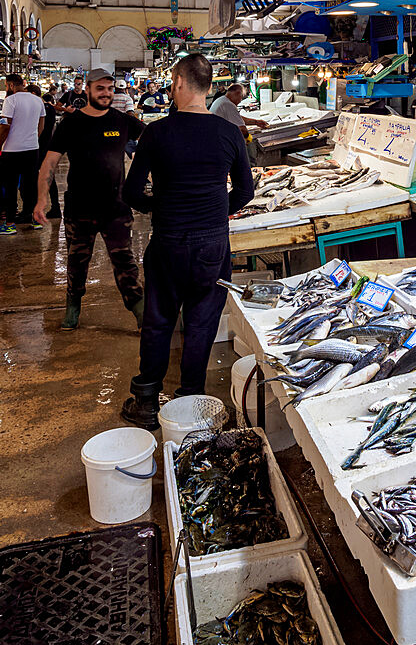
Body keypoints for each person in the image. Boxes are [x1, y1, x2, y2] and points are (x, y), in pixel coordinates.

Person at [120, 54, 255, 429]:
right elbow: (246, 191)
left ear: (178, 82)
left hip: (168, 241)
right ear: (210, 87)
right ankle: (191, 400)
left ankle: (146, 399)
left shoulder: (157, 132)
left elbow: (131, 192)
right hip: (212, 244)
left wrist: (159, 206)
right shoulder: (229, 133)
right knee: (201, 321)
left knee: (159, 319)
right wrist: (214, 212)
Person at [34, 68, 145, 331]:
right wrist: (41, 200)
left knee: (125, 261)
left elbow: (154, 141)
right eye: (100, 89)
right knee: (77, 261)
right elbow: (49, 163)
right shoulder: (71, 123)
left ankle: (139, 309)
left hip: (116, 207)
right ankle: (73, 306)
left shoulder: (123, 121)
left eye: (110, 89)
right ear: (87, 90)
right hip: (79, 207)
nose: (106, 94)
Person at [0, 74, 45, 234]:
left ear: (11, 85)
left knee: (10, 187)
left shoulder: (10, 101)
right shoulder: (37, 100)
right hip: (32, 150)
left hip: (11, 151)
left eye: (6, 86)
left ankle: (10, 224)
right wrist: (32, 139)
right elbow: (41, 125)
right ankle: (35, 220)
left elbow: (5, 126)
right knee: (31, 185)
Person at [28, 86, 61, 219]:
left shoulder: (40, 108)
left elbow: (39, 128)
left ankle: (32, 209)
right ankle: (55, 207)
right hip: (46, 146)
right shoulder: (50, 108)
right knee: (48, 178)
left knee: (34, 178)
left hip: (38, 147)